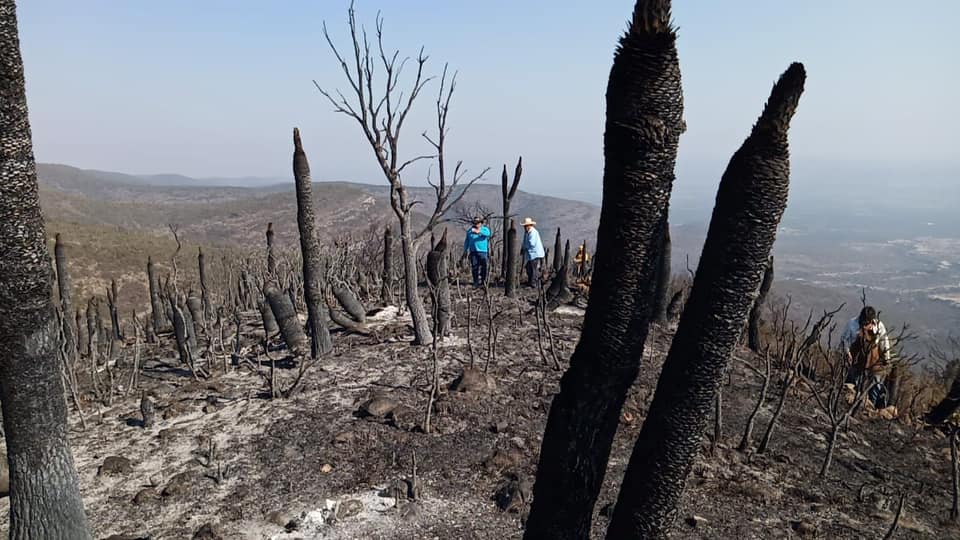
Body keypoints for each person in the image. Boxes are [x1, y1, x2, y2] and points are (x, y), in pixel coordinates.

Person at [840, 306, 891, 408]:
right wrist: (847, 353)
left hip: (874, 359)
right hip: (857, 358)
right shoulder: (852, 324)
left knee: (875, 385)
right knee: (852, 382)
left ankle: (871, 407)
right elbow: (844, 339)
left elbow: (884, 341)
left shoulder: (879, 326)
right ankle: (848, 404)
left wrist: (886, 357)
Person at [463, 216, 491, 288]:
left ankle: (483, 281)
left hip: (483, 251)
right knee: (474, 267)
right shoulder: (469, 231)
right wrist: (465, 250)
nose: (476, 224)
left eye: (478, 222)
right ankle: (476, 282)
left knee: (483, 267)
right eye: (475, 222)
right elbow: (467, 241)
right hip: (473, 252)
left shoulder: (484, 229)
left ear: (481, 223)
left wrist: (479, 231)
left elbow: (488, 234)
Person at [521, 217, 545, 288]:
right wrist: (523, 248)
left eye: (526, 226)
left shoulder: (533, 232)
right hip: (531, 254)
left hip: (535, 253)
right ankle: (530, 281)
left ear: (529, 225)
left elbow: (532, 243)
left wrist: (525, 247)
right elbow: (524, 241)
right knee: (529, 268)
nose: (525, 227)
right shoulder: (527, 233)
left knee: (533, 268)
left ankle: (534, 283)